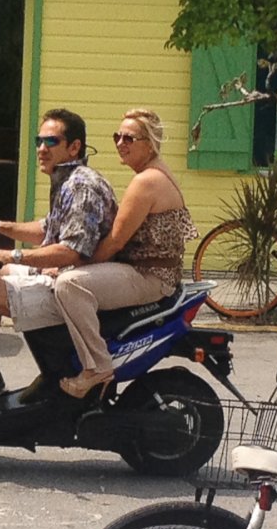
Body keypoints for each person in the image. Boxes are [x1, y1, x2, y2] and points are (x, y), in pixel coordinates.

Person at [0, 109, 119, 398]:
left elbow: (72, 250)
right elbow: (50, 229)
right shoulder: (68, 181)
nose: (41, 149)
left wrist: (11, 255)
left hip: (69, 283)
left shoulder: (81, 185)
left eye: (51, 142)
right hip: (58, 274)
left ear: (74, 147)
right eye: (39, 141)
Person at [50, 108, 196, 397]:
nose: (120, 143)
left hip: (149, 276)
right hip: (151, 272)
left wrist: (72, 263)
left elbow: (115, 242)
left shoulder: (146, 182)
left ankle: (98, 367)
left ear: (150, 143)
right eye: (117, 136)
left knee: (70, 285)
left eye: (129, 138)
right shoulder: (156, 174)